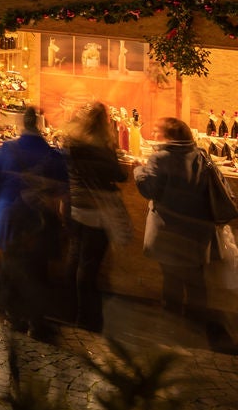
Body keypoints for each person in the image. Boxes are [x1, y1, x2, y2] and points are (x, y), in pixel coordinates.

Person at [137, 117, 238, 349]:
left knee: (171, 283)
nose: (154, 136)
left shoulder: (160, 158)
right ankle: (195, 329)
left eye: (156, 132)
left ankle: (172, 331)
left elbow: (147, 188)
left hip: (168, 233)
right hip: (197, 234)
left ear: (169, 136)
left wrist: (140, 170)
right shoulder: (202, 156)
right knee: (196, 284)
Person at [0, 105, 69, 340]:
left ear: (21, 126)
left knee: (9, 268)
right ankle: (36, 322)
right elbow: (63, 192)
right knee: (38, 271)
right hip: (38, 222)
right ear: (40, 127)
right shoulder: (53, 156)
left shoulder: (5, 152)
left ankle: (13, 317)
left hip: (8, 219)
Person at [61, 101, 130, 333]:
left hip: (74, 204)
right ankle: (87, 318)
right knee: (89, 264)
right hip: (96, 210)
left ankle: (66, 310)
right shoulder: (101, 147)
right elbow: (119, 175)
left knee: (75, 256)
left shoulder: (71, 142)